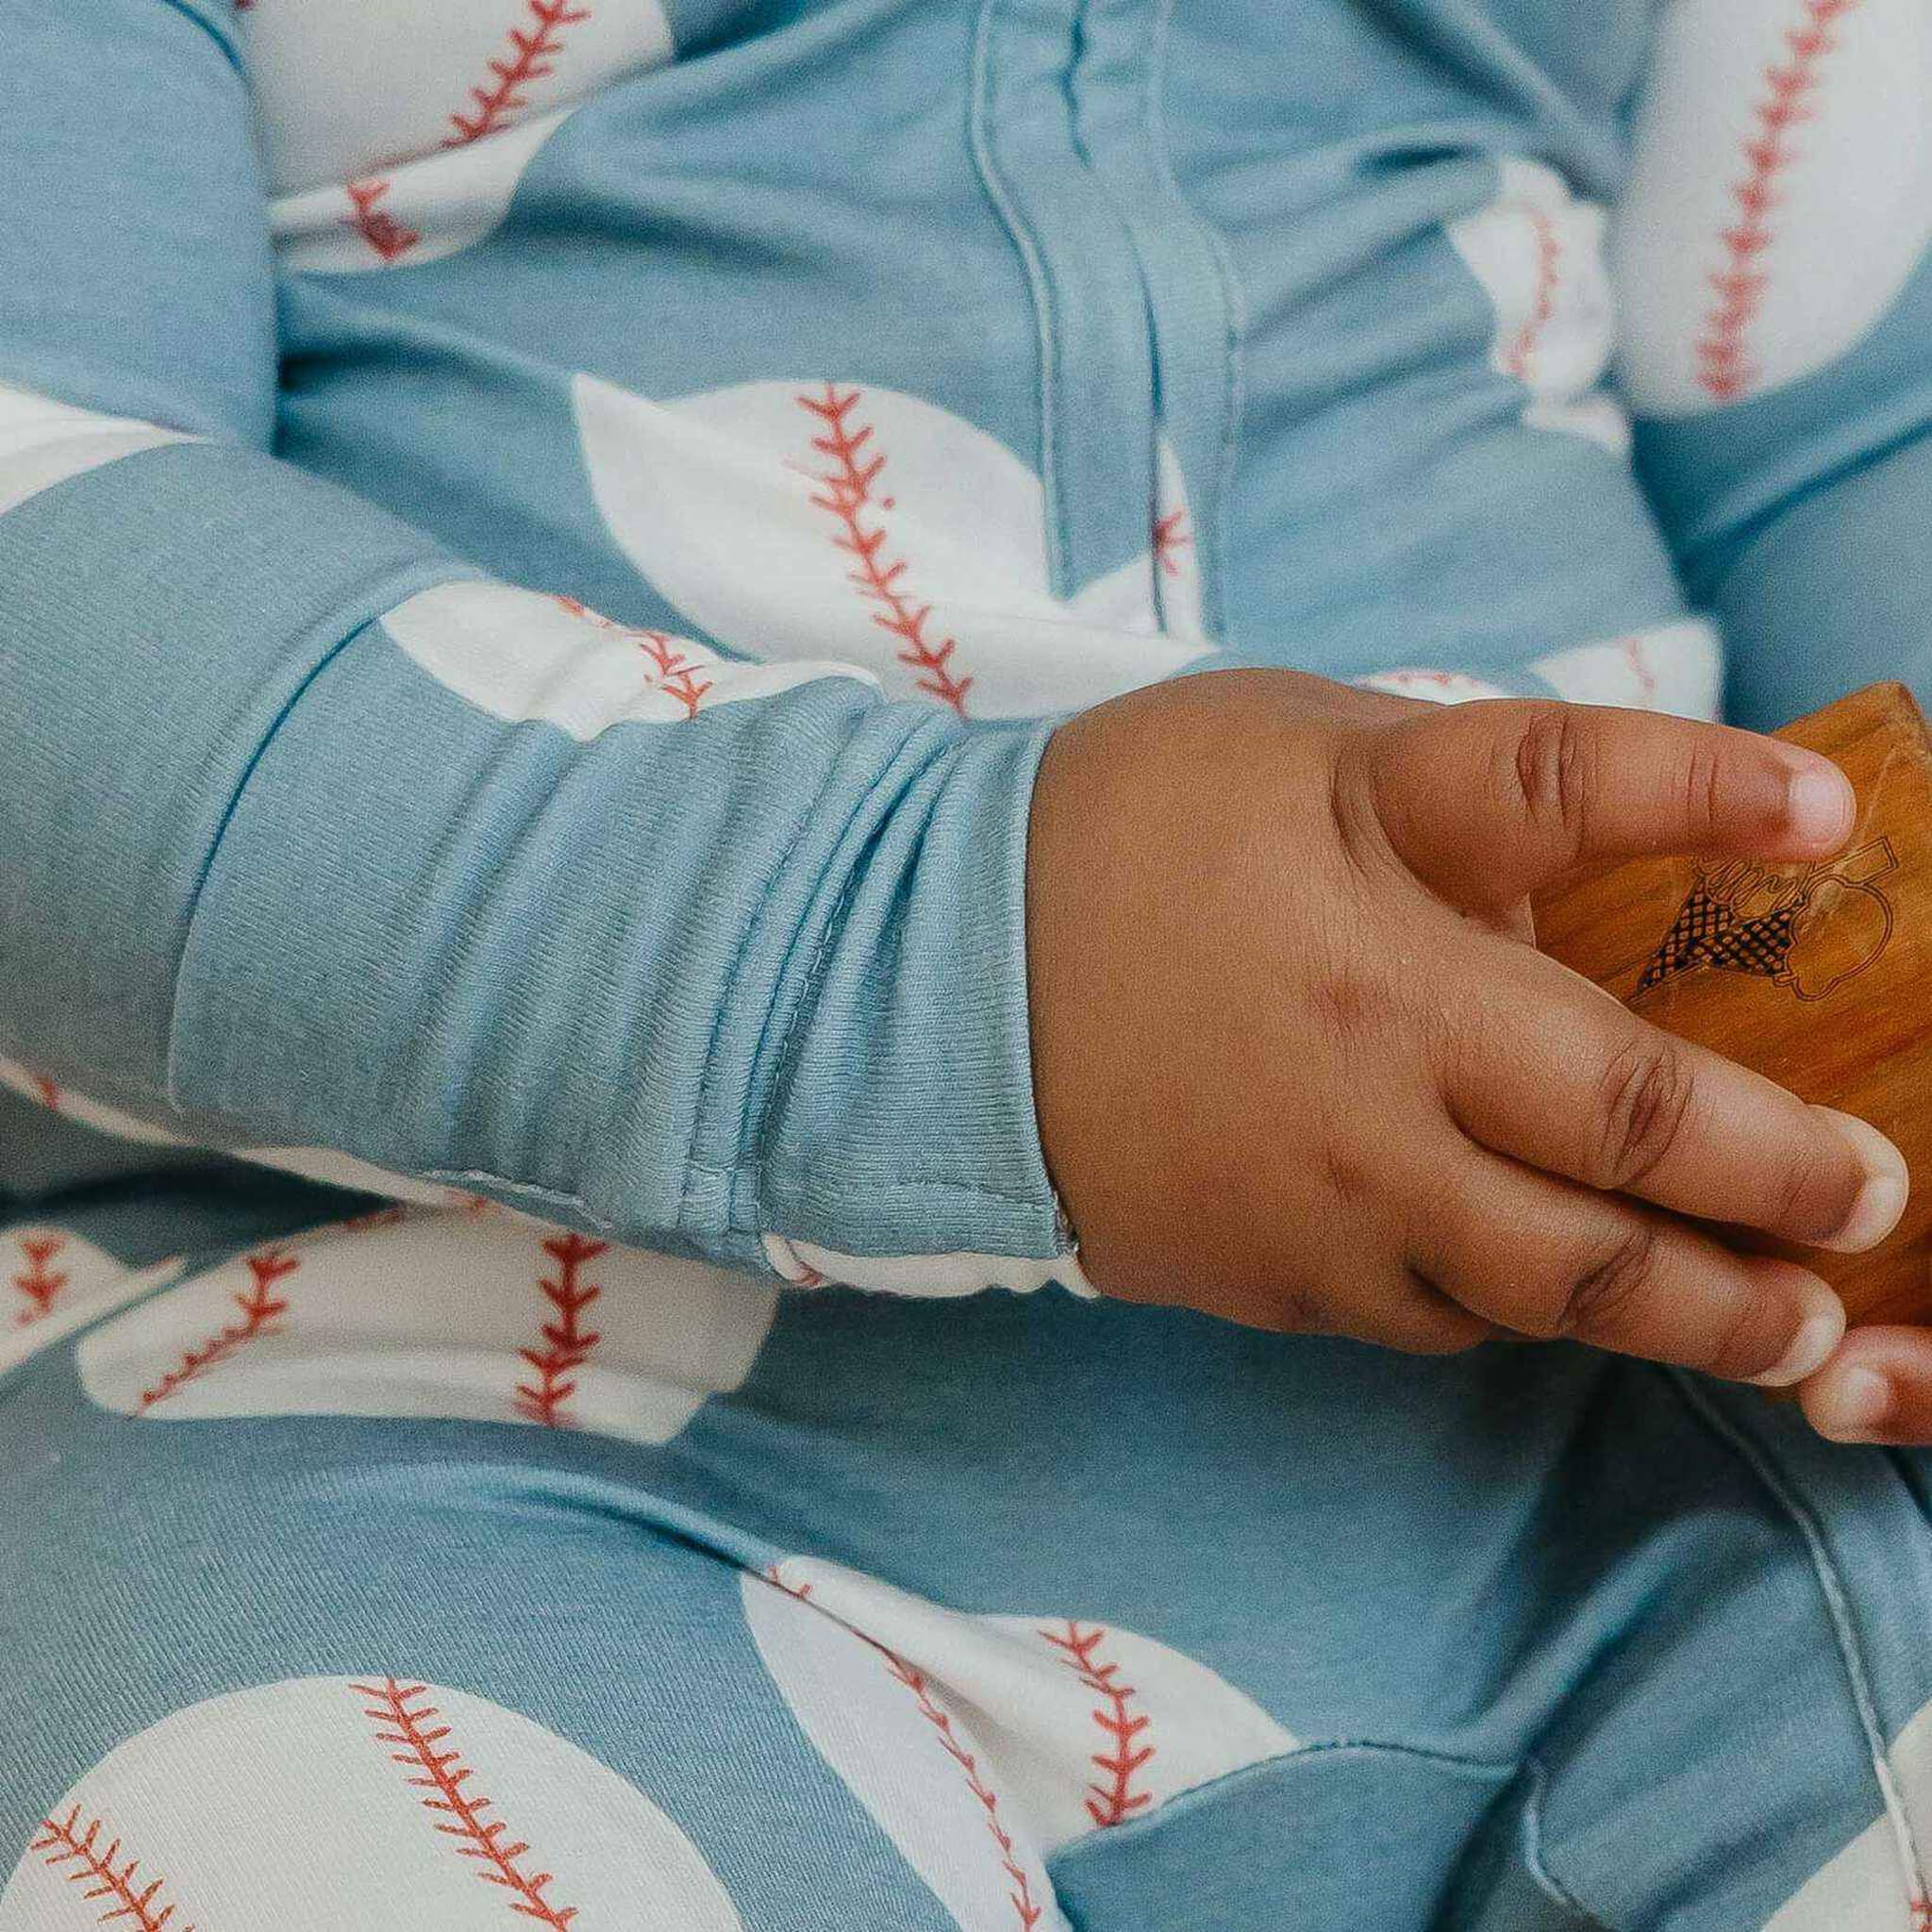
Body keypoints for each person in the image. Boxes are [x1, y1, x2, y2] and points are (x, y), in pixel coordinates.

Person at [4, 0, 1931, 1924]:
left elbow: (1854, 424)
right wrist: (952, 950)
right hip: (418, 1404)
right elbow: (42, 574)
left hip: (1663, 1450)